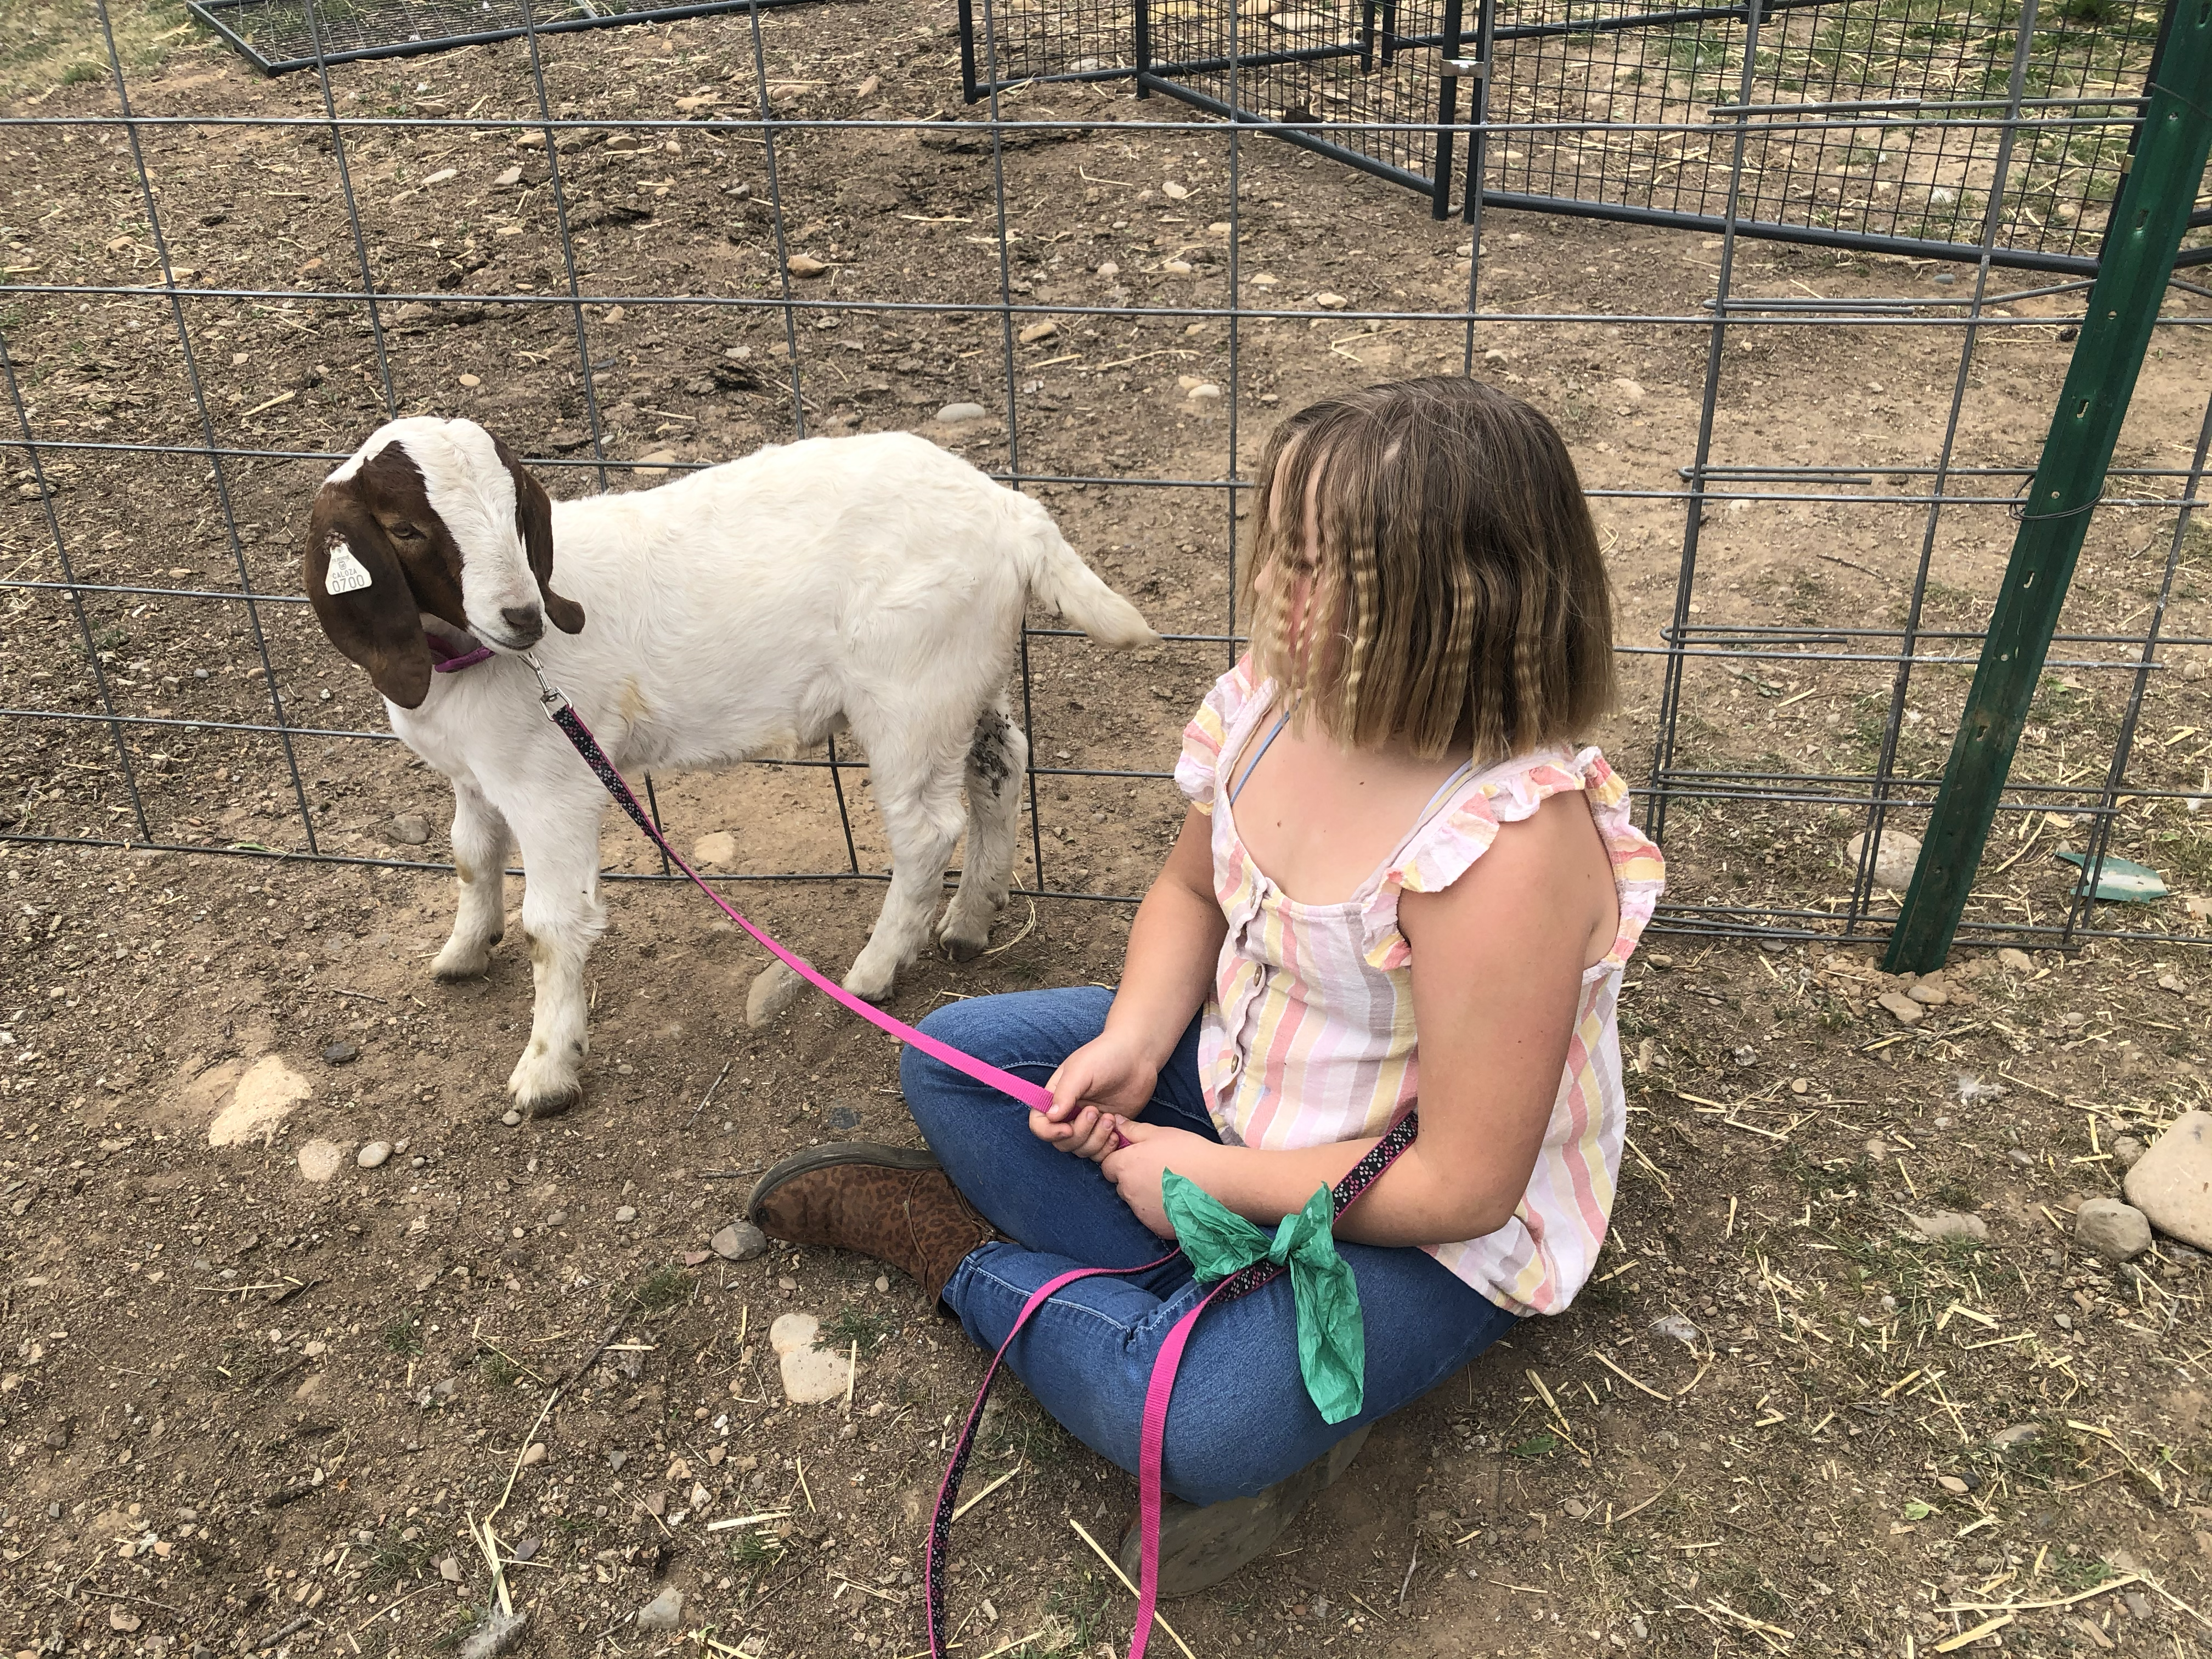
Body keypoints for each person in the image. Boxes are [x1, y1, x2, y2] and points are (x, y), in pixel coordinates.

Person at [747, 376, 1666, 1590]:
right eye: (1278, 542)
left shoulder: (1502, 850)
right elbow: (1191, 895)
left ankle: (966, 1258)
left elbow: (1466, 1182)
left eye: (1325, 566)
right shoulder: (1274, 708)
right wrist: (1134, 1041)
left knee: (1199, 1426)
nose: (1273, 584)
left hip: (1411, 1215)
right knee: (955, 1060)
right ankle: (1181, 1290)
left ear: (1469, 611)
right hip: (1246, 1078)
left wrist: (1205, 1177)